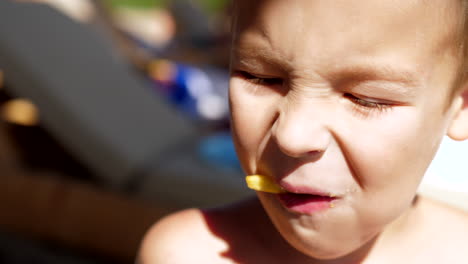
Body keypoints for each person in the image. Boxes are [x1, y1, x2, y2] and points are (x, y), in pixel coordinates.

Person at [138, 0, 468, 263]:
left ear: (461, 106)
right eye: (260, 77)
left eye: (366, 99)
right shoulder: (184, 254)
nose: (292, 136)